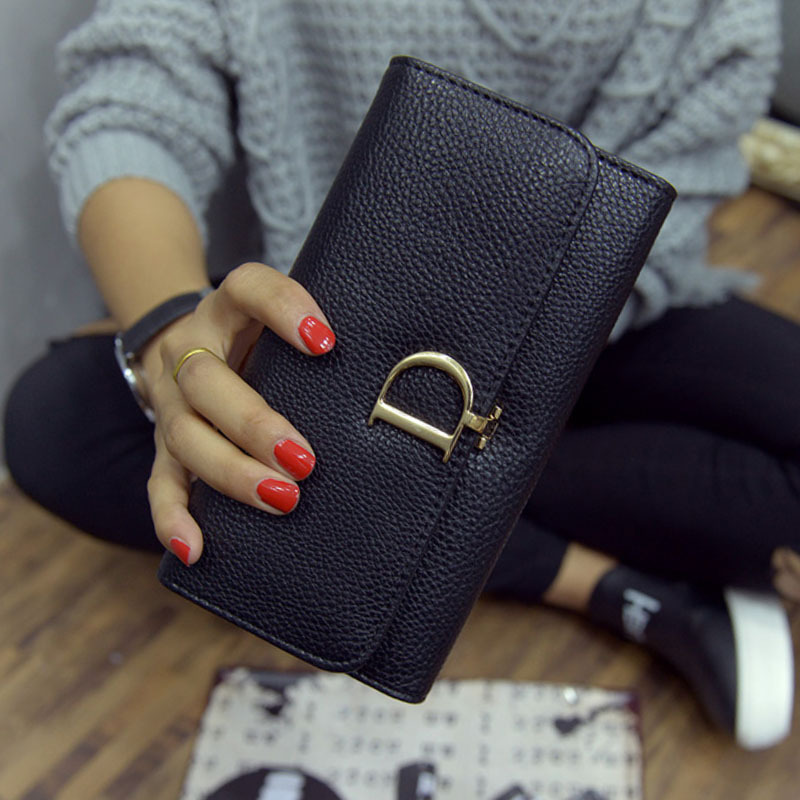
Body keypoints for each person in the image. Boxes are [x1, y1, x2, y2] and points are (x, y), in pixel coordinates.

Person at [3, 0, 797, 751]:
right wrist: (169, 332)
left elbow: (681, 173)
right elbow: (133, 94)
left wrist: (434, 434)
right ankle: (605, 582)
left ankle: (397, 505)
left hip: (603, 316)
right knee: (56, 423)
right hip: (327, 330)